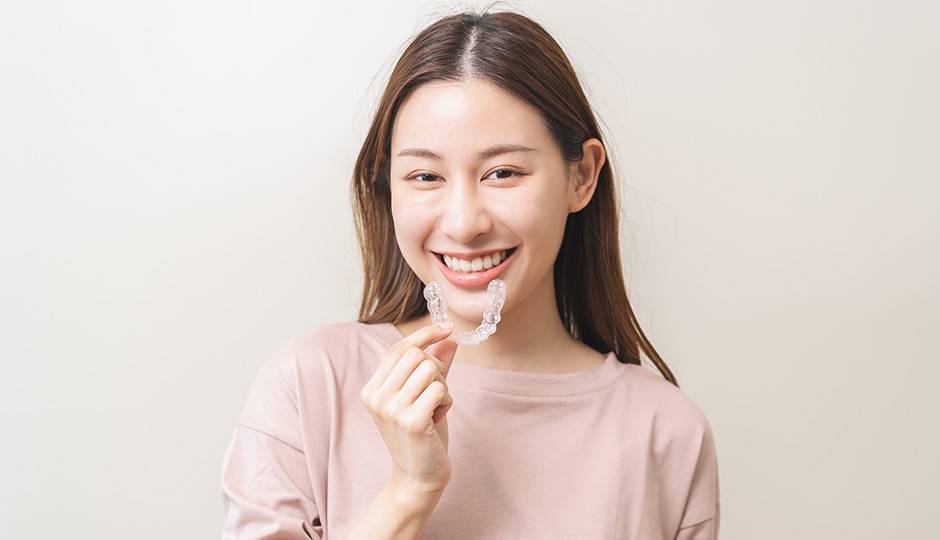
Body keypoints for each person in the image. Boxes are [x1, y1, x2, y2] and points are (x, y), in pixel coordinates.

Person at [220, 8, 720, 540]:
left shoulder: (667, 434)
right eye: (425, 175)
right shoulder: (309, 384)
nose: (463, 224)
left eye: (502, 172)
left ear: (581, 176)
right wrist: (408, 493)